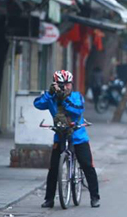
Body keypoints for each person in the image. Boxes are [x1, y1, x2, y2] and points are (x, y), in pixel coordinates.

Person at [34, 70, 101, 208]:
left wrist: (63, 97)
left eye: (67, 84)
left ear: (71, 84)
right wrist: (50, 93)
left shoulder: (77, 97)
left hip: (78, 136)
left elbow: (77, 110)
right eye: (61, 84)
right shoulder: (51, 97)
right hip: (60, 136)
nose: (65, 86)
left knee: (87, 165)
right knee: (53, 168)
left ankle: (94, 197)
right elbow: (38, 104)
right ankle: (49, 199)